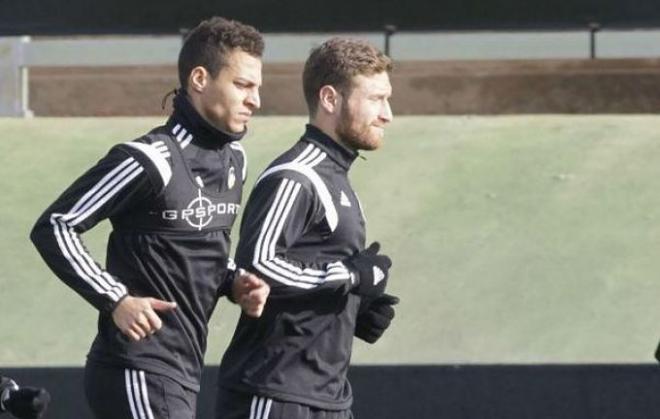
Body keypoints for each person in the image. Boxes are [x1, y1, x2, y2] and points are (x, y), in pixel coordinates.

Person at [30, 16, 269, 419]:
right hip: (135, 368)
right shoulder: (149, 159)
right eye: (243, 85)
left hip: (182, 372)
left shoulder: (235, 161)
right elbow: (56, 226)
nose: (255, 100)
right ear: (199, 79)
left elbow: (193, 246)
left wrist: (232, 281)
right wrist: (115, 298)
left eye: (257, 88)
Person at [215, 37, 399, 419]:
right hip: (275, 394)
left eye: (388, 99)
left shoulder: (338, 179)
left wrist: (353, 310)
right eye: (376, 99)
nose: (387, 114)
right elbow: (259, 267)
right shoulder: (296, 177)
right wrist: (348, 277)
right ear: (330, 99)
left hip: (329, 399)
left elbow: (310, 273)